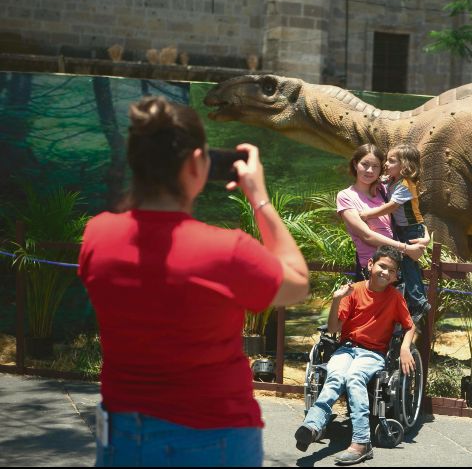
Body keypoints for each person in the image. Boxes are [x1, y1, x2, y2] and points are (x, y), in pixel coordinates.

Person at [77, 96, 310, 467]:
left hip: (122, 435)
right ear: (196, 164)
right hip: (212, 438)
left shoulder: (96, 236)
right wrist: (258, 195)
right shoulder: (226, 251)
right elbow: (298, 282)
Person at [294, 245, 416, 465]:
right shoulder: (354, 291)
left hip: (373, 353)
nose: (386, 273)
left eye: (392, 270)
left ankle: (362, 441)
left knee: (354, 378)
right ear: (370, 265)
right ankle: (312, 426)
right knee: (335, 377)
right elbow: (333, 328)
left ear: (396, 275)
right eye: (382, 266)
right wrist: (336, 300)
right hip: (347, 348)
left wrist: (405, 348)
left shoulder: (395, 298)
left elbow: (409, 326)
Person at [359, 144, 431, 320]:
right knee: (401, 264)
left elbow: (392, 207)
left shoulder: (406, 184)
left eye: (392, 161)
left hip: (412, 228)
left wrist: (367, 214)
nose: (386, 164)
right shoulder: (392, 180)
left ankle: (419, 301)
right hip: (401, 228)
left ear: (405, 165)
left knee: (408, 265)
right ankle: (410, 298)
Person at [336, 144, 426, 282]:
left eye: (375, 166)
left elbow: (411, 214)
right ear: (355, 164)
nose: (369, 170)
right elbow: (367, 236)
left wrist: (425, 237)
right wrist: (406, 248)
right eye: (364, 164)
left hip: (394, 265)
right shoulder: (346, 196)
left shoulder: (384, 190)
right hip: (372, 267)